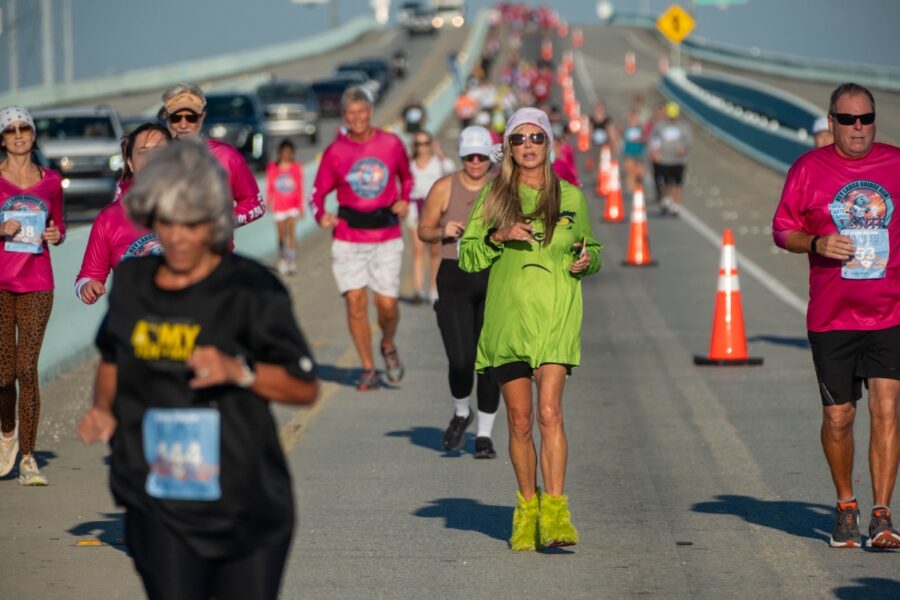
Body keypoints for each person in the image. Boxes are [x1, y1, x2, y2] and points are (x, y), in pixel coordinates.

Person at [76, 140, 319, 599]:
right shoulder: (133, 285)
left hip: (246, 501)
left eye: (193, 223)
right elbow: (112, 357)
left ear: (214, 221)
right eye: (168, 223)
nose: (180, 238)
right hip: (158, 500)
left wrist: (240, 371)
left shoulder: (251, 289)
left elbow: (304, 387)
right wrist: (103, 408)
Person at [458, 108, 601, 550]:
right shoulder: (495, 197)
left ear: (548, 143)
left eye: (536, 138)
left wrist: (585, 260)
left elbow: (591, 249)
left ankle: (556, 513)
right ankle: (527, 509)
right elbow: (467, 255)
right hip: (508, 320)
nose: (528, 146)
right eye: (519, 139)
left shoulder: (572, 197)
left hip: (556, 315)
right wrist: (497, 237)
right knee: (519, 421)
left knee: (549, 413)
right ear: (509, 148)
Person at [772, 82, 900, 550]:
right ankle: (847, 503)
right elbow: (782, 230)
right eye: (848, 120)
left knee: (888, 409)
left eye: (866, 118)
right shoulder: (808, 170)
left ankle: (883, 514)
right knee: (839, 416)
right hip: (833, 318)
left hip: (891, 312)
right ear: (831, 123)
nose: (858, 128)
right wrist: (816, 243)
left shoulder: (896, 164)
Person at [311, 87, 412, 391]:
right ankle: (368, 367)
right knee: (356, 303)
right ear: (344, 117)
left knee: (387, 305)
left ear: (370, 112)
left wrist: (405, 199)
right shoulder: (336, 152)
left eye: (361, 111)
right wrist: (321, 215)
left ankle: (388, 344)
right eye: (350, 113)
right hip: (348, 236)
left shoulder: (390, 144)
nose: (356, 118)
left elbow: (406, 178)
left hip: (386, 234)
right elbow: (316, 194)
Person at [417, 126, 501, 458]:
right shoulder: (444, 187)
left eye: (482, 156)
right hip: (454, 275)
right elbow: (423, 230)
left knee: (490, 362)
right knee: (461, 358)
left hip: (493, 277)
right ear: (462, 157)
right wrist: (442, 230)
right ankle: (461, 412)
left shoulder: (500, 188)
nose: (477, 162)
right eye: (470, 157)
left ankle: (484, 436)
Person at [0, 105, 65, 486]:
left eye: (24, 128)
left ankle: (28, 458)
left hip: (38, 283)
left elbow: (59, 225)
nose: (18, 134)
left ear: (34, 134)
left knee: (27, 368)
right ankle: (6, 429)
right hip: (1, 286)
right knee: (3, 374)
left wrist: (56, 235)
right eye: (10, 130)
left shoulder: (51, 181)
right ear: (3, 139)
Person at [76, 123, 172, 304]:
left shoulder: (196, 208)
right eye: (143, 152)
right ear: (130, 163)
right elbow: (88, 275)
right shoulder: (109, 218)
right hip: (134, 322)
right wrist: (87, 287)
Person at [161, 83, 265, 234]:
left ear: (202, 117)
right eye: (176, 118)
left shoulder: (227, 156)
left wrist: (226, 221)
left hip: (216, 252)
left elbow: (256, 204)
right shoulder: (154, 158)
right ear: (166, 118)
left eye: (191, 118)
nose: (183, 125)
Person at [408, 130, 455, 304]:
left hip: (435, 208)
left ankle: (434, 289)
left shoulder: (437, 163)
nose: (423, 147)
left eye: (426, 143)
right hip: (416, 207)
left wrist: (439, 152)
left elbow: (451, 168)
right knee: (418, 249)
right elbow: (404, 184)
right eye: (419, 144)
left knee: (435, 251)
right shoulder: (410, 164)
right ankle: (417, 290)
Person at [265, 139, 304, 276]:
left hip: (292, 205)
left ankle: (292, 260)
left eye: (289, 152)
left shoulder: (296, 167)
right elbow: (270, 186)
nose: (287, 155)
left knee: (291, 232)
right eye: (284, 152)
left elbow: (300, 187)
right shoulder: (272, 168)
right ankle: (283, 258)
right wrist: (269, 201)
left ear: (292, 153)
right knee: (281, 235)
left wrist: (301, 207)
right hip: (279, 206)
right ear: (280, 153)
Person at [649, 101, 692, 216]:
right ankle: (665, 200)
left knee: (678, 183)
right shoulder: (660, 125)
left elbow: (689, 141)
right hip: (664, 159)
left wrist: (684, 148)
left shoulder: (683, 126)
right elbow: (654, 139)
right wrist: (655, 152)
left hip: (678, 160)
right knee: (664, 182)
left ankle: (676, 205)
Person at [621, 107, 647, 194]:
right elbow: (621, 135)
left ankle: (639, 188)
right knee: (630, 171)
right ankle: (630, 191)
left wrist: (640, 139)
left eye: (635, 116)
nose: (633, 118)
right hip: (629, 151)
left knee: (640, 173)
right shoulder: (626, 126)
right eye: (632, 116)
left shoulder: (642, 127)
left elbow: (646, 138)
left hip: (639, 152)